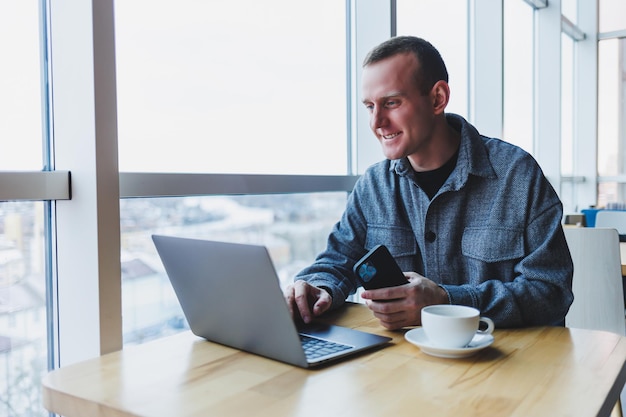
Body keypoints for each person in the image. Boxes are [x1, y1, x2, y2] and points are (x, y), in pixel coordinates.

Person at [283, 36, 573, 330]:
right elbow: (336, 262)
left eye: (391, 103)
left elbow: (551, 292)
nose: (377, 122)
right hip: (407, 365)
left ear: (438, 98)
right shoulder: (373, 186)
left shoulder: (517, 175)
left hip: (507, 365)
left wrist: (446, 302)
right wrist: (318, 288)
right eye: (370, 106)